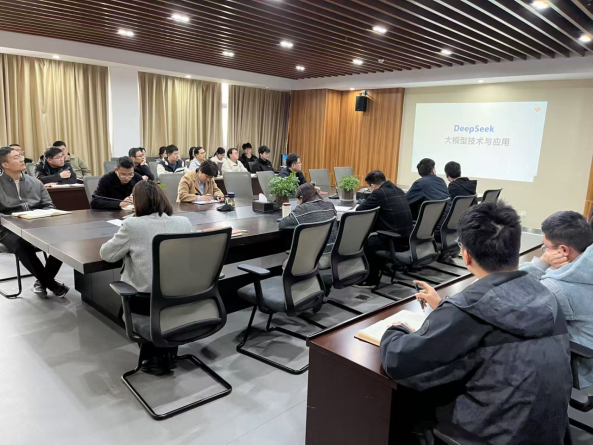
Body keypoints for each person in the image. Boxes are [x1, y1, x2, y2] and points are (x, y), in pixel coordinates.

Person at [380, 201, 571, 445]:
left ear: (466, 255)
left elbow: (400, 362)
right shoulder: (547, 297)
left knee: (410, 407)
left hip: (489, 436)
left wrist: (396, 331)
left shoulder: (468, 309)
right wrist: (447, 308)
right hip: (547, 433)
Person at [520, 210, 593, 388]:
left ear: (563, 250)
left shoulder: (557, 288)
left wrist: (541, 263)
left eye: (546, 247)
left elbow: (512, 291)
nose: (544, 251)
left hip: (584, 370)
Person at [0, 146, 69, 298]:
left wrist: (40, 215)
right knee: (21, 243)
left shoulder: (36, 183)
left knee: (62, 240)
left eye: (21, 156)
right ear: (5, 164)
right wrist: (13, 219)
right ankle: (52, 284)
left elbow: (49, 206)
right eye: (16, 157)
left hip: (37, 225)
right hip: (7, 229)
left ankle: (42, 282)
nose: (22, 159)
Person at [100, 180, 192, 293]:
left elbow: (107, 254)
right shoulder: (184, 222)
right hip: (182, 291)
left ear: (136, 202)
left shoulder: (132, 225)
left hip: (146, 295)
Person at [354, 170, 413, 289]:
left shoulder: (378, 193)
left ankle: (371, 280)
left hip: (394, 241)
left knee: (367, 242)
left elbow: (359, 210)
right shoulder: (398, 190)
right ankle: (379, 269)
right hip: (408, 239)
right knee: (374, 236)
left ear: (372, 186)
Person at [279, 183, 337, 268]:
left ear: (302, 198)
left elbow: (282, 224)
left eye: (298, 199)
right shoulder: (330, 205)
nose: (297, 202)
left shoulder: (302, 209)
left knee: (287, 262)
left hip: (315, 259)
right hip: (333, 256)